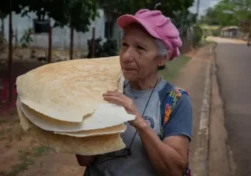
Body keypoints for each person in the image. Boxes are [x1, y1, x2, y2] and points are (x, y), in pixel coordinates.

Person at [76, 9, 192, 176]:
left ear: (162, 58)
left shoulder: (175, 100)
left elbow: (174, 170)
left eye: (140, 48)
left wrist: (139, 122)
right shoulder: (108, 90)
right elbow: (84, 160)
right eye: (124, 45)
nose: (126, 56)